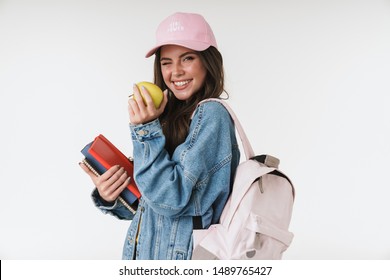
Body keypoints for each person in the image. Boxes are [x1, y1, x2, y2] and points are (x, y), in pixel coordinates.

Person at [80, 12, 240, 260]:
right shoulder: (169, 118)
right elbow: (151, 208)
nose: (175, 71)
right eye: (166, 62)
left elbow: (171, 200)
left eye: (187, 58)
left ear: (208, 62)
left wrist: (144, 131)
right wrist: (111, 195)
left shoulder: (211, 114)